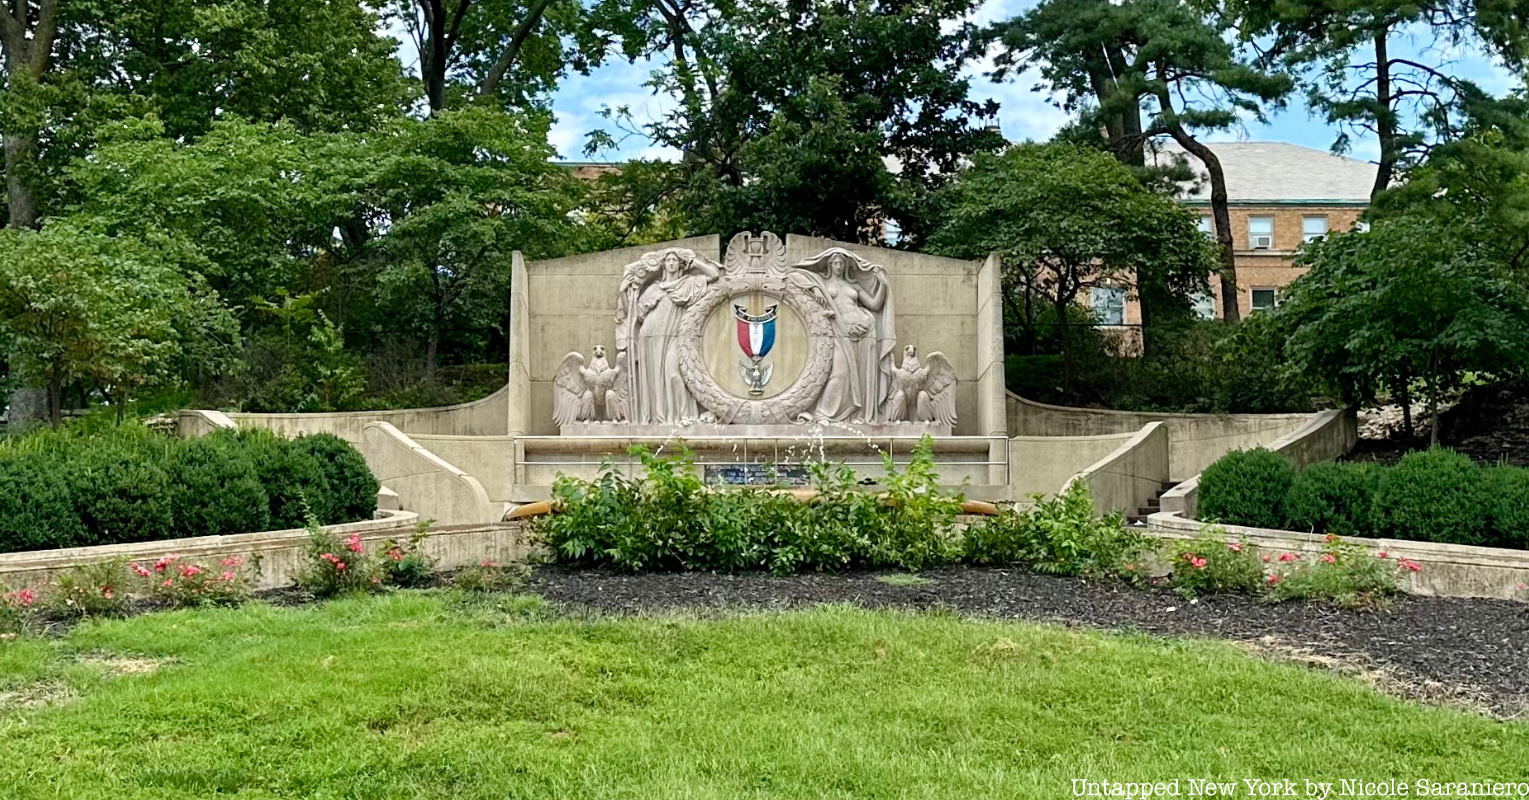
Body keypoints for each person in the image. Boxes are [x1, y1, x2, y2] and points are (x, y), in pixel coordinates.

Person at [794, 249, 894, 423]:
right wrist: (816, 291)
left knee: (861, 376)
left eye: (841, 263)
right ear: (829, 264)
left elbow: (875, 304)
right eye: (835, 263)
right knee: (839, 373)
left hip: (864, 332)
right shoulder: (822, 283)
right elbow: (795, 275)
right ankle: (824, 413)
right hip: (838, 333)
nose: (839, 266)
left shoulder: (853, 286)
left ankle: (856, 415)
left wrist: (883, 285)